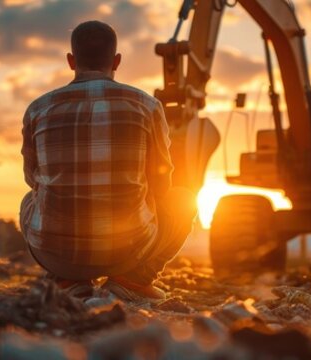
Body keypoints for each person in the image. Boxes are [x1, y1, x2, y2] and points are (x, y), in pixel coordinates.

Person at [19, 21, 194, 302]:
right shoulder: (147, 106)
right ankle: (132, 281)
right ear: (117, 61)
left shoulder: (38, 109)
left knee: (29, 199)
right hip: (130, 249)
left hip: (57, 254)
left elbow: (32, 178)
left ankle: (67, 281)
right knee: (184, 199)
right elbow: (162, 183)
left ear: (71, 61)